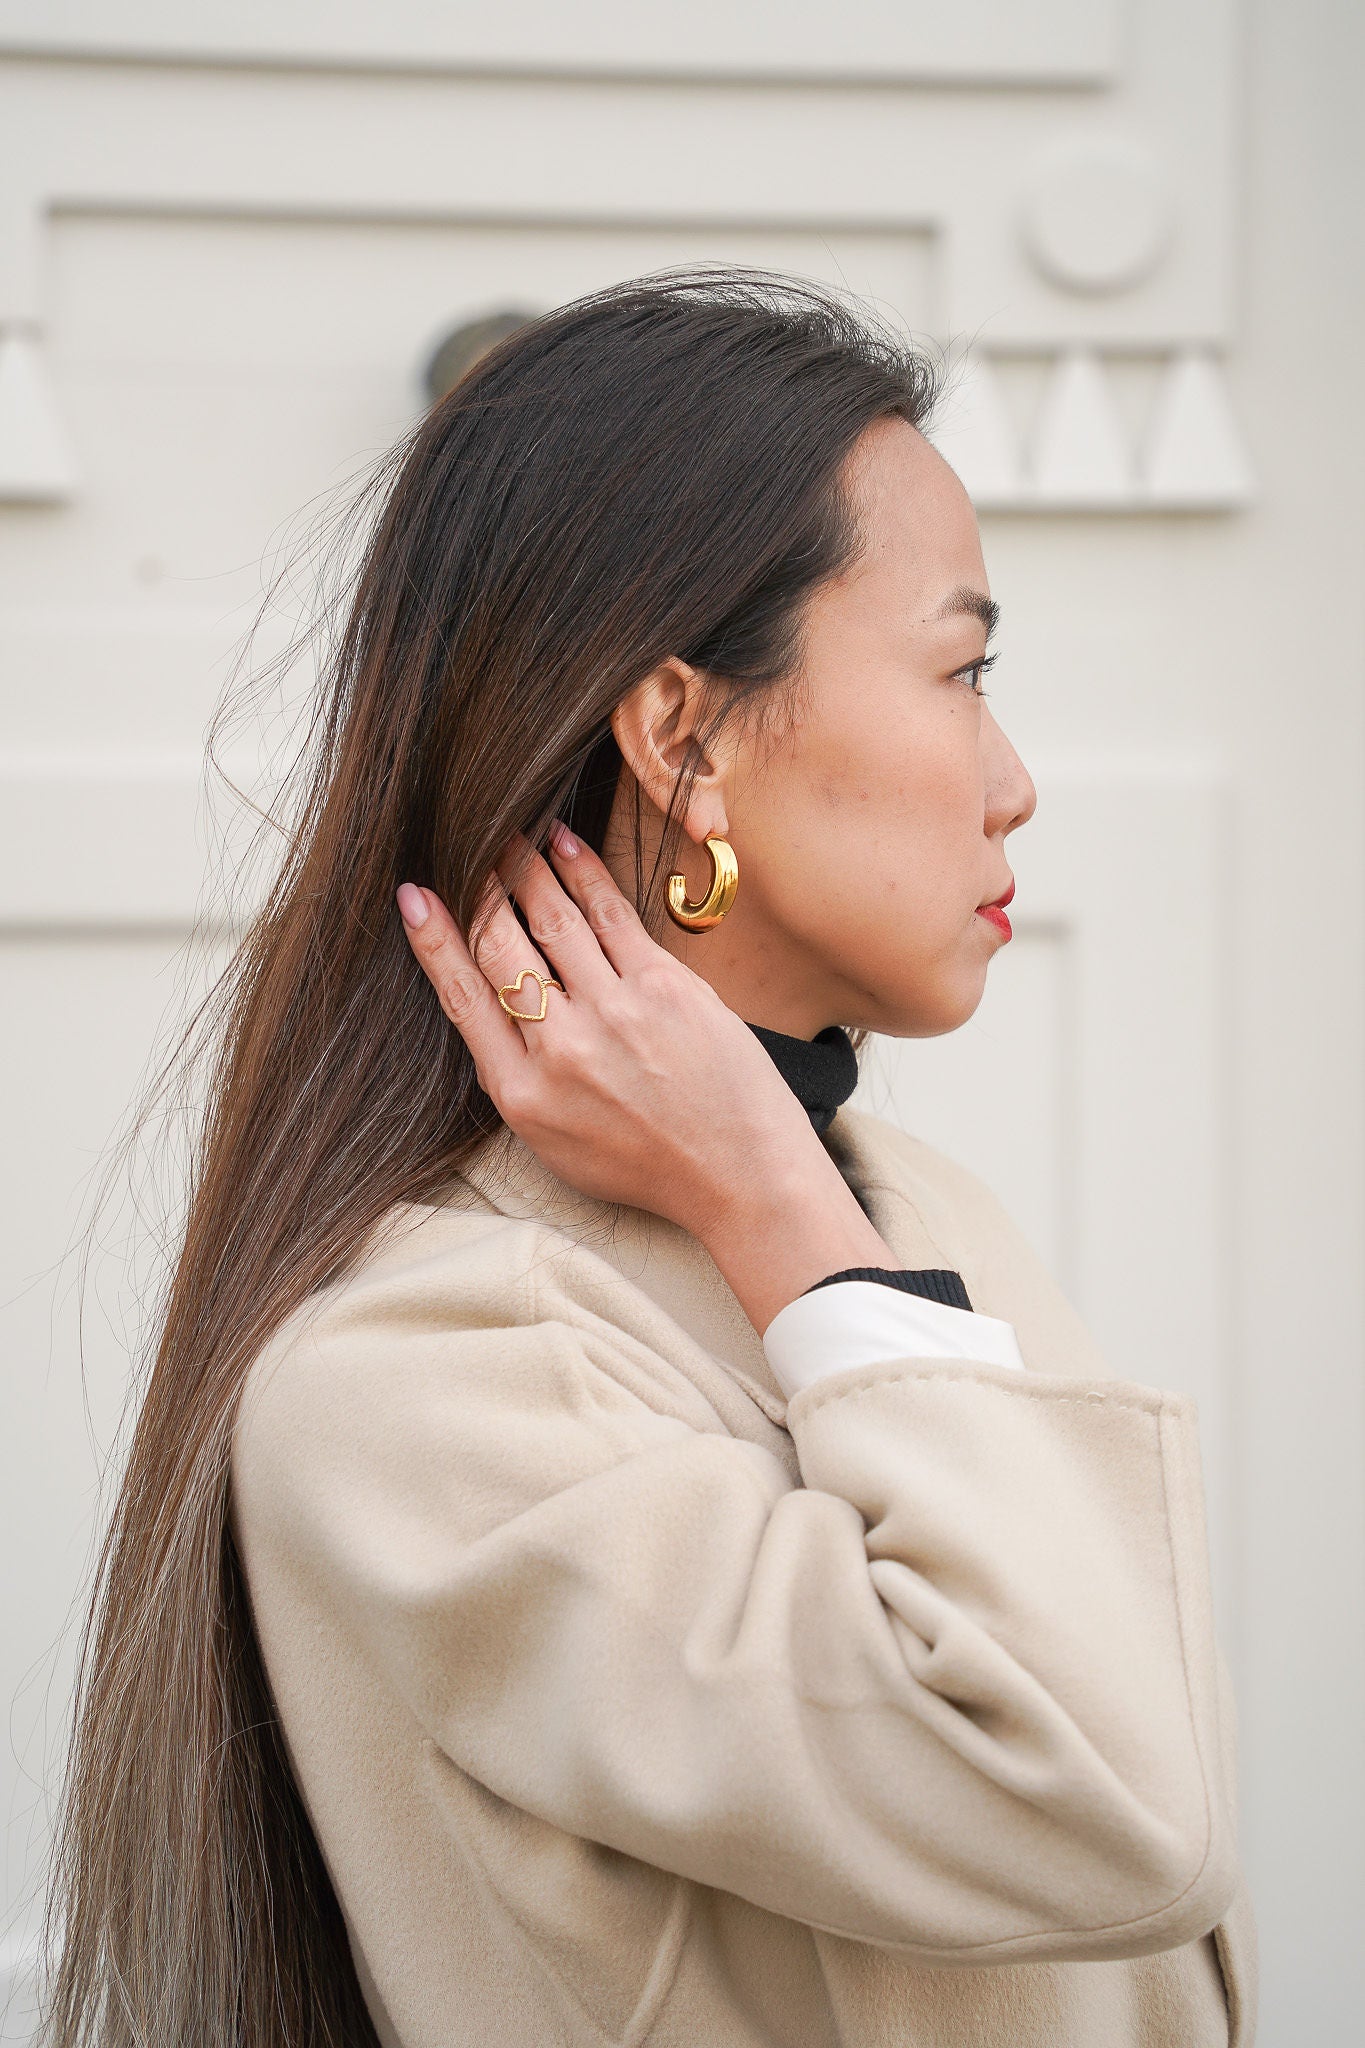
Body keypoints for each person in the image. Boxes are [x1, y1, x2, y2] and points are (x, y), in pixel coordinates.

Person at [41, 271, 1257, 2048]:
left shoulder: (907, 1221)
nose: (1011, 782)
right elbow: (1107, 1811)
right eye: (960, 669)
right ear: (681, 737)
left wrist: (786, 1205)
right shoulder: (423, 1378)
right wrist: (772, 1203)